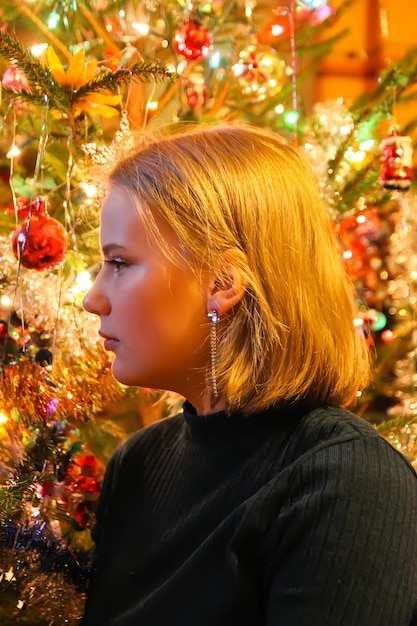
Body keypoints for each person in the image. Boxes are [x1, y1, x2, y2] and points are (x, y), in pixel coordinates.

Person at [81, 123, 417, 625]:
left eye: (121, 263)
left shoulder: (347, 483)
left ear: (223, 282)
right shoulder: (137, 465)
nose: (92, 299)